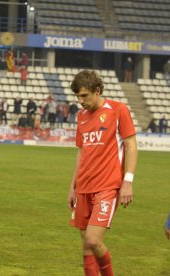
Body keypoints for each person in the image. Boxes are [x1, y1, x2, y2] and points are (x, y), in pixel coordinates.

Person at [68, 70, 138, 276]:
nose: (81, 101)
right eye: (78, 97)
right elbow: (81, 152)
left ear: (97, 91)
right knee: (86, 246)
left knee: (93, 240)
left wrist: (128, 181)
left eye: (84, 96)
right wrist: (72, 186)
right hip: (83, 187)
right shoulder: (81, 117)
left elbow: (131, 145)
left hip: (107, 186)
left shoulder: (118, 110)